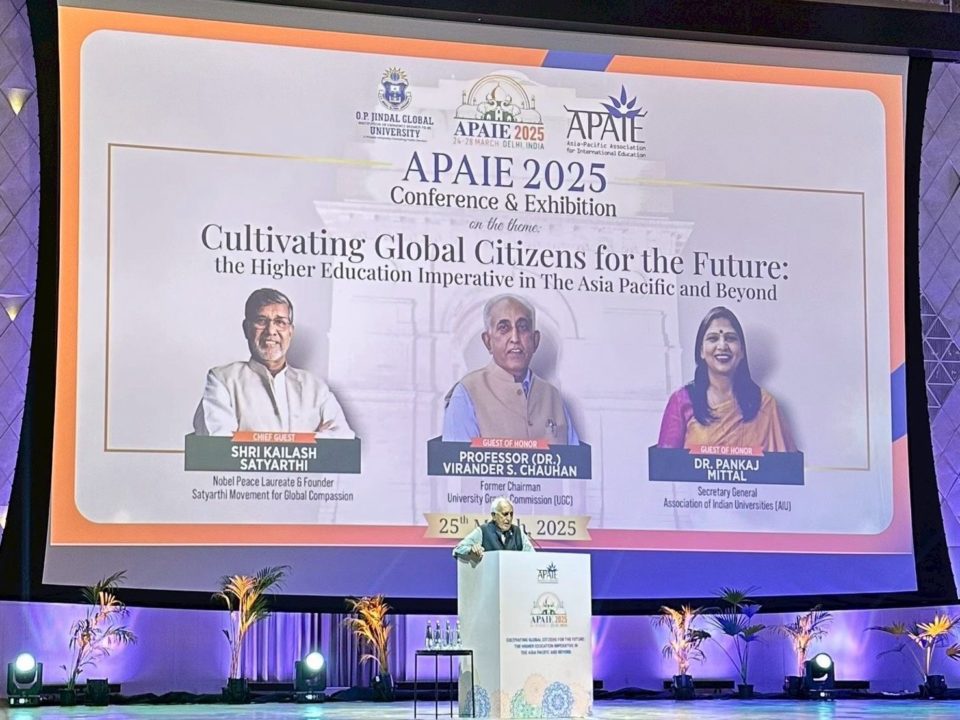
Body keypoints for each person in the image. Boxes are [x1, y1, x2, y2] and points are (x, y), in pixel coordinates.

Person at [193, 288, 354, 437]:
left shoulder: (316, 387)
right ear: (246, 329)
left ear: (290, 332)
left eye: (280, 322)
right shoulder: (222, 380)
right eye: (261, 321)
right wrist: (313, 439)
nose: (271, 331)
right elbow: (218, 442)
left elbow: (343, 438)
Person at [442, 294, 580, 444]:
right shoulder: (466, 393)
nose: (515, 338)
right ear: (488, 341)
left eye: (522, 327)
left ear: (535, 340)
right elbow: (456, 458)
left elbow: (572, 457)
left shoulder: (553, 397)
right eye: (504, 328)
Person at [657, 306, 795, 452]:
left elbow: (783, 464)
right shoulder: (682, 401)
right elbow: (666, 463)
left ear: (742, 351)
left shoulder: (765, 404)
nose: (722, 346)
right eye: (713, 338)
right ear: (701, 351)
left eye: (730, 338)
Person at [453, 497, 534, 562]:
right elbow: (457, 549)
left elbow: (533, 557)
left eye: (511, 514)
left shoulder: (518, 532)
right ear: (494, 516)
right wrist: (471, 550)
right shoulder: (483, 531)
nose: (509, 518)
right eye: (505, 514)